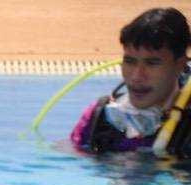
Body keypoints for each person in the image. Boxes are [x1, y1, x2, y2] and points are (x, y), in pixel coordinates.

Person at [72, 7, 190, 154]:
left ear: (180, 65)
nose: (137, 76)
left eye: (152, 63)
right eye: (130, 61)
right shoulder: (99, 117)